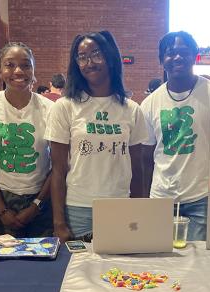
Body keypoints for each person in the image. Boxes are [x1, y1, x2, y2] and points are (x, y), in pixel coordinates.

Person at [45, 30, 148, 242]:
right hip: (78, 209)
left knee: (120, 273)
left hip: (119, 207)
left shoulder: (131, 109)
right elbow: (58, 170)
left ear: (110, 57)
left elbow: (137, 169)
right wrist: (59, 223)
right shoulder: (65, 107)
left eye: (96, 54)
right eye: (82, 57)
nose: (89, 63)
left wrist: (140, 213)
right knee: (77, 274)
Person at [0, 42, 54, 238]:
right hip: (2, 197)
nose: (18, 71)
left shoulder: (50, 109)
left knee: (43, 265)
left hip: (42, 197)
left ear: (33, 70)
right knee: (0, 264)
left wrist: (36, 206)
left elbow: (59, 165)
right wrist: (1, 209)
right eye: (9, 65)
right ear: (0, 69)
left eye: (26, 65)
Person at [140, 31, 210, 241]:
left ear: (195, 56)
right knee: (160, 259)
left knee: (198, 261)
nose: (177, 58)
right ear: (162, 60)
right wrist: (145, 201)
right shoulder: (150, 104)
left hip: (201, 197)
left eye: (184, 52)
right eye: (170, 53)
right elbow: (146, 157)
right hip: (162, 197)